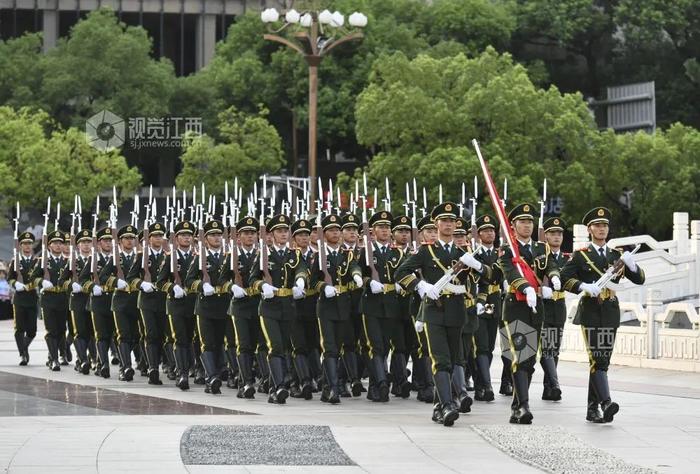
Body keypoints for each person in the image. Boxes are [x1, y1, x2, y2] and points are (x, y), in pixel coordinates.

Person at [395, 202, 494, 427]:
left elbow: (491, 275)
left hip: (458, 311)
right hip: (434, 310)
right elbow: (401, 272)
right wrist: (421, 286)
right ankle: (448, 405)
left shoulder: (464, 254)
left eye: (452, 221)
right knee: (440, 360)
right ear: (436, 223)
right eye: (444, 221)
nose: (448, 224)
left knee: (452, 359)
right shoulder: (426, 251)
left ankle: (439, 406)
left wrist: (476, 265)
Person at [560, 207, 645, 423]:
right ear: (589, 229)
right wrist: (583, 286)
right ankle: (606, 402)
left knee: (602, 361)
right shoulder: (581, 255)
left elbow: (640, 280)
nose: (601, 229)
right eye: (597, 225)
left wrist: (633, 266)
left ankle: (592, 409)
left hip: (609, 312)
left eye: (605, 225)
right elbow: (563, 279)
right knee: (597, 358)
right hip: (590, 312)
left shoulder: (616, 256)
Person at [498, 203, 560, 425]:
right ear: (513, 226)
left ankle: (517, 405)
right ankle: (523, 405)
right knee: (520, 355)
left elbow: (550, 264)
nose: (527, 225)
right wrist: (525, 287)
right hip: (516, 306)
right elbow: (510, 271)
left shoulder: (541, 247)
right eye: (522, 222)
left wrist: (553, 277)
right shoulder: (508, 249)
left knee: (530, 359)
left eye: (530, 221)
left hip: (536, 308)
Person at [249, 214, 309, 404]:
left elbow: (301, 269)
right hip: (268, 308)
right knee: (274, 347)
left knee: (284, 347)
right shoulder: (263, 254)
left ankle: (278, 387)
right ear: (272, 234)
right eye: (279, 231)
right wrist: (262, 286)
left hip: (288, 307)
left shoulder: (295, 254)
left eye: (285, 231)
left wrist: (300, 280)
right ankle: (280, 386)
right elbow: (252, 279)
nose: (283, 234)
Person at [540, 217, 570, 401]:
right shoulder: (541, 256)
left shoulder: (568, 258)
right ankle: (554, 384)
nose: (557, 236)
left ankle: (548, 387)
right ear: (546, 236)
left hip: (559, 305)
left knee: (554, 348)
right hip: (543, 304)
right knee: (547, 347)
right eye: (552, 233)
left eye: (559, 233)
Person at [7, 231, 39, 366]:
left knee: (32, 331)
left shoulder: (37, 262)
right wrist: (16, 284)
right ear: (20, 246)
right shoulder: (15, 261)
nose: (27, 246)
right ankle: (23, 355)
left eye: (29, 244)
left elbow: (41, 277)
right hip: (19, 299)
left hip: (32, 297)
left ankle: (23, 348)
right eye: (25, 244)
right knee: (19, 329)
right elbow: (10, 278)